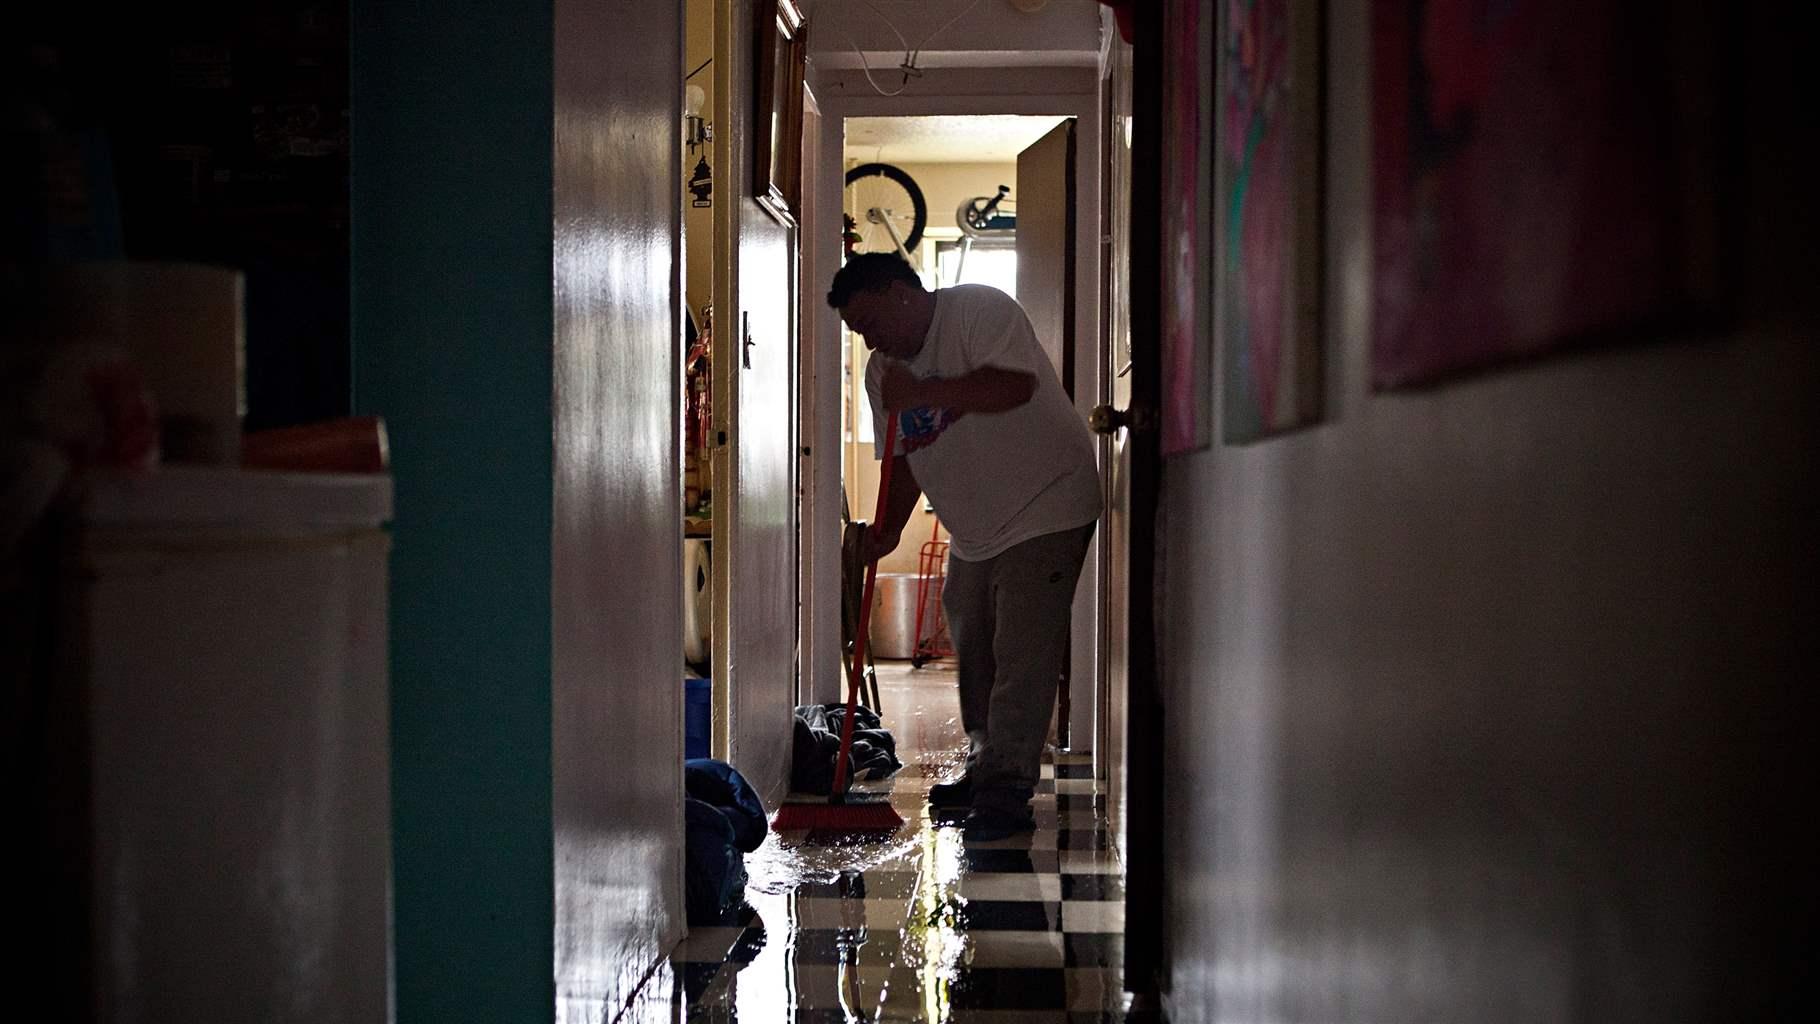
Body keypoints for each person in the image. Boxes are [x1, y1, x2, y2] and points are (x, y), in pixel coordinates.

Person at [827, 253, 1102, 841]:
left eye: (872, 323)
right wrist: (890, 527)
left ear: (902, 293)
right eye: (859, 333)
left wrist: (923, 388)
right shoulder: (883, 373)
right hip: (975, 528)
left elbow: (1012, 385)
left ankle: (1007, 790)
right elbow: (902, 455)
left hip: (1049, 503)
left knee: (1022, 649)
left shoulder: (977, 309)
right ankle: (984, 767)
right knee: (973, 648)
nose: (871, 340)